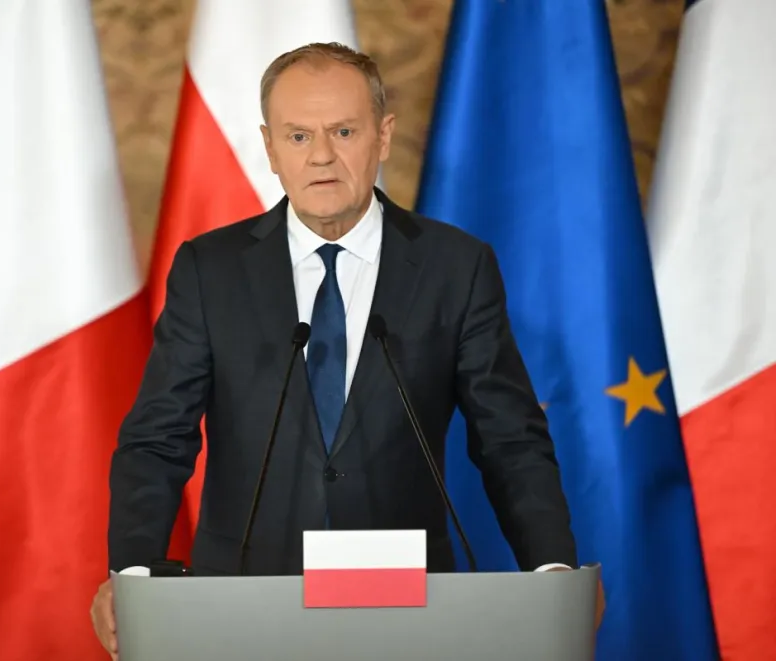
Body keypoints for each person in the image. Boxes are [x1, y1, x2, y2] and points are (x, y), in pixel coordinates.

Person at [91, 42, 596, 659]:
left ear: (383, 136)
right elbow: (158, 438)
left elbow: (509, 438)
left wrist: (552, 574)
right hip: (244, 608)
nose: (322, 156)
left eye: (344, 131)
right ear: (270, 148)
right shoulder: (210, 269)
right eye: (298, 136)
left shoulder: (455, 266)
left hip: (407, 611)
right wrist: (133, 575)